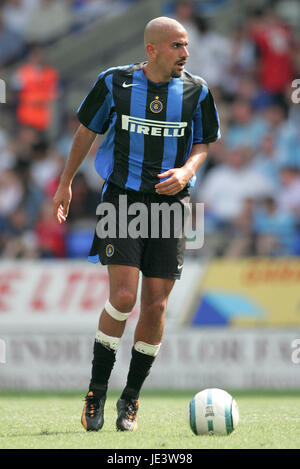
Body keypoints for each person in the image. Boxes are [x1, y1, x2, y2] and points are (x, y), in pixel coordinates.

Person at [53, 16, 220, 433]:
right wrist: (65, 184)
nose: (185, 53)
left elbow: (203, 143)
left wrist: (186, 170)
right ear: (152, 50)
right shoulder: (114, 82)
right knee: (124, 297)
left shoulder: (198, 91)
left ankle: (131, 399)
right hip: (122, 202)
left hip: (172, 206)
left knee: (157, 305)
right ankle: (96, 392)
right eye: (177, 46)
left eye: (186, 46)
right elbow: (86, 131)